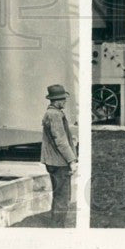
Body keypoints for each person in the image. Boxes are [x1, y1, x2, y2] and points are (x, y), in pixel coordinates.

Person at [40, 83, 77, 227]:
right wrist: (72, 160)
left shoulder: (52, 113)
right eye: (63, 99)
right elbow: (60, 141)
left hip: (53, 161)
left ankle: (56, 225)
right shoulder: (55, 114)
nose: (65, 101)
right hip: (59, 162)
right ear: (57, 100)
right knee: (63, 196)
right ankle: (57, 227)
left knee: (59, 194)